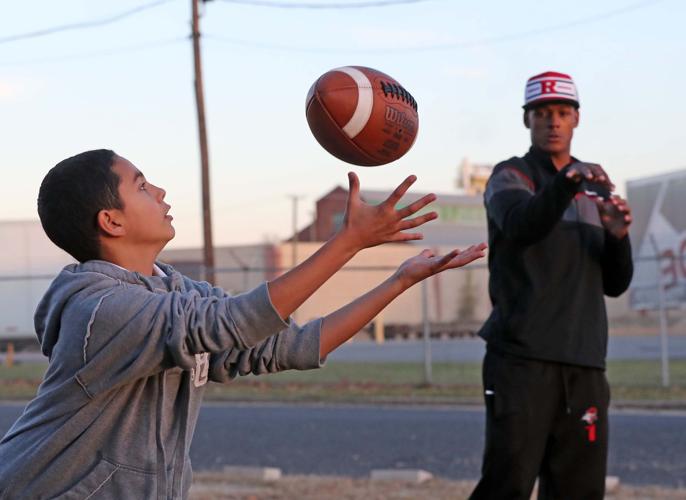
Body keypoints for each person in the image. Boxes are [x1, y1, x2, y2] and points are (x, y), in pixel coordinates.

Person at [0, 149, 486, 499]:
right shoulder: (99, 309)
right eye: (143, 186)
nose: (161, 190)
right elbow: (234, 322)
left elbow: (290, 347)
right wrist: (349, 243)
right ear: (112, 220)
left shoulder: (179, 293)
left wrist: (399, 281)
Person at [470, 71, 634, 499]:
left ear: (576, 119)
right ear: (527, 120)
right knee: (507, 485)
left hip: (585, 364)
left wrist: (618, 237)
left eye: (562, 112)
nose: (553, 122)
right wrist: (567, 182)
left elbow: (615, 284)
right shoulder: (511, 177)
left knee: (578, 491)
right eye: (542, 113)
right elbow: (523, 225)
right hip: (522, 363)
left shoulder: (592, 190)